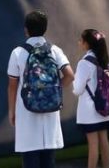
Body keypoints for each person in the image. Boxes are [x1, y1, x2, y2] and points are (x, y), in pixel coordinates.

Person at [6, 10, 75, 168]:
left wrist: (12, 111)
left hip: (27, 113)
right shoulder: (54, 50)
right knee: (48, 161)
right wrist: (54, 90)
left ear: (26, 29)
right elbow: (70, 75)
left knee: (30, 160)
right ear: (45, 28)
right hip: (50, 114)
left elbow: (12, 86)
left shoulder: (17, 53)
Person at [73, 29, 109, 168]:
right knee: (104, 141)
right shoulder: (104, 60)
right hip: (105, 108)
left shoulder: (84, 63)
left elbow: (78, 90)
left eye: (81, 40)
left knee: (93, 145)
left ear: (87, 44)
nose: (79, 42)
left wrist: (74, 82)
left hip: (89, 112)